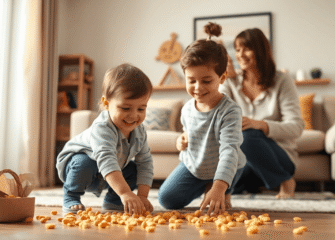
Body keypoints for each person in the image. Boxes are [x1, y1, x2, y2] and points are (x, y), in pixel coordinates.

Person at [158, 22, 246, 216]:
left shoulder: (230, 111)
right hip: (195, 165)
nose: (198, 87)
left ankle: (223, 187)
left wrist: (219, 187)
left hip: (225, 163)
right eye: (191, 81)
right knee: (166, 199)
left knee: (234, 164)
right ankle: (207, 185)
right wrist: (182, 139)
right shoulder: (187, 108)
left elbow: (229, 150)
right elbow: (189, 132)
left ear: (222, 78)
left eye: (206, 81)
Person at [56, 63, 154, 214]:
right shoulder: (102, 128)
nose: (134, 115)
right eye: (125, 108)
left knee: (134, 170)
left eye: (141, 108)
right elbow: (106, 159)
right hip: (80, 168)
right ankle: (71, 197)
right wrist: (125, 193)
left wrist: (142, 196)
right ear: (107, 104)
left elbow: (146, 163)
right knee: (84, 162)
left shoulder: (139, 132)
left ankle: (113, 201)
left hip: (110, 174)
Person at [219, 28, 304, 198]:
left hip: (279, 157)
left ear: (261, 51)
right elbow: (217, 116)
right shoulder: (231, 82)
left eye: (246, 48)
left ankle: (285, 180)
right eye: (237, 49)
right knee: (231, 187)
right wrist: (223, 79)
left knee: (247, 134)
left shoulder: (282, 80)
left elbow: (296, 127)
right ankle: (255, 182)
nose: (240, 54)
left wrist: (262, 125)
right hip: (244, 160)